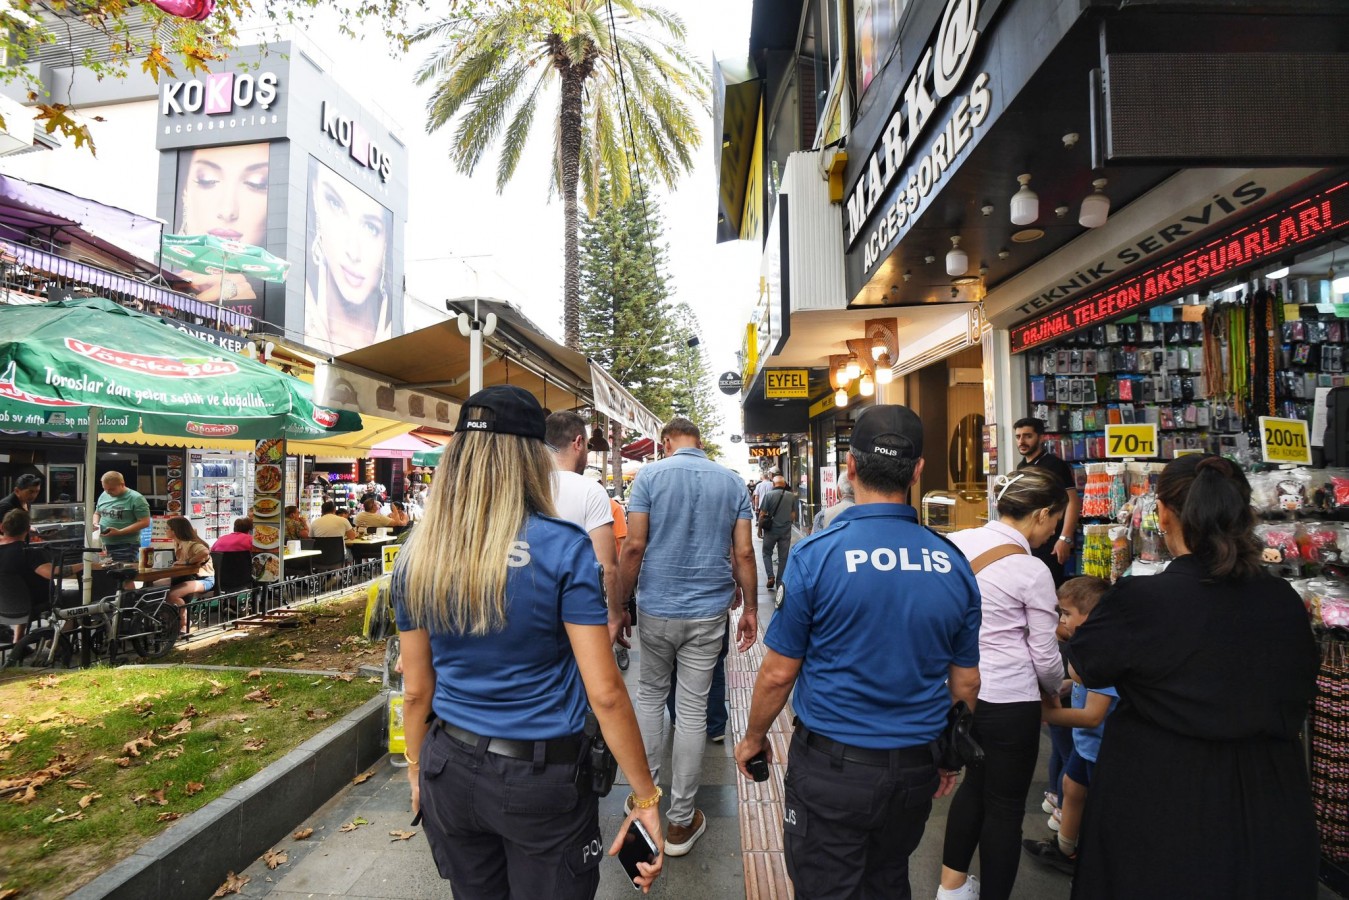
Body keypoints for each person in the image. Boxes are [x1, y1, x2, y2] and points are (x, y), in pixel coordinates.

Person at [393, 385, 664, 897]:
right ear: (531, 459)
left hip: (448, 766)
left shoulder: (419, 553)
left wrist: (415, 771)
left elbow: (414, 689)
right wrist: (645, 798)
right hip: (540, 779)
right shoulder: (561, 546)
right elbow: (605, 692)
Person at [734, 404, 982, 898]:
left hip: (832, 770)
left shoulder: (818, 556)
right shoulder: (953, 562)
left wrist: (754, 736)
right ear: (917, 470)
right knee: (888, 879)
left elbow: (779, 673)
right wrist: (949, 757)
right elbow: (967, 681)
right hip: (914, 768)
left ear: (850, 466)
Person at [1065, 454, 1319, 899]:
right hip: (1267, 800)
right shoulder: (1282, 600)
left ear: (1163, 513)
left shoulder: (1142, 600)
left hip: (1160, 799)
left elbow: (1085, 666)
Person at [617, 416, 757, 857]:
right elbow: (745, 551)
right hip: (708, 611)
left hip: (657, 608)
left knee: (650, 697)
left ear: (666, 442)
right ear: (699, 441)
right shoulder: (731, 482)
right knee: (693, 710)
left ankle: (645, 801)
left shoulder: (649, 477)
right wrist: (751, 607)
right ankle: (679, 822)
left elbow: (633, 546)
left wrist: (621, 605)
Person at [937, 468, 1069, 900]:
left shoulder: (955, 543)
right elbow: (1045, 656)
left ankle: (951, 889)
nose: (1052, 533)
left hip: (959, 693)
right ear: (1043, 513)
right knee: (1006, 807)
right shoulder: (1031, 570)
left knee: (973, 786)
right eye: (1054, 522)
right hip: (1012, 700)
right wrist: (1057, 688)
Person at [1023, 576, 1115, 875]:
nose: (1061, 620)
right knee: (1070, 787)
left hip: (1102, 749)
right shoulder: (1088, 646)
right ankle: (1065, 848)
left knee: (1101, 807)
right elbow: (1079, 686)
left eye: (1066, 614)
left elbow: (1092, 715)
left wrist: (1046, 714)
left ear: (1091, 616)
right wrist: (1062, 687)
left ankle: (1099, 862)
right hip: (1085, 744)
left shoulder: (1104, 655)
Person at [545, 411, 623, 644]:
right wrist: (615, 616)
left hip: (531, 606)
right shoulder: (590, 490)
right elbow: (607, 566)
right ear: (578, 442)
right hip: (579, 609)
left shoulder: (525, 483)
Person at [303, 159, 394, 354]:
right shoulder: (296, 311)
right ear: (315, 194)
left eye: (371, 227)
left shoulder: (396, 342)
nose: (353, 252)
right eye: (336, 205)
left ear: (387, 238)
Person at [174, 142, 270, 307]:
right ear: (185, 191)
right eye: (207, 180)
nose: (228, 210)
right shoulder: (155, 277)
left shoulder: (271, 301)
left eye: (257, 183)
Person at [1014, 417, 1080, 585]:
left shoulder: (1055, 465)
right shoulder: (1021, 467)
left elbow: (1072, 501)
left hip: (1051, 542)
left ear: (1041, 437)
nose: (1022, 441)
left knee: (1050, 590)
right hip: (1029, 540)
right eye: (1018, 436)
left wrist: (1065, 538)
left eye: (1028, 436)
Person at [0, 509, 80, 639]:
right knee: (78, 601)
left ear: (2, 527)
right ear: (27, 530)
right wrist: (84, 565)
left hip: (4, 607)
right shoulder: (28, 552)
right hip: (35, 605)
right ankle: (59, 643)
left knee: (21, 591)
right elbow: (51, 573)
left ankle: (18, 641)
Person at [163, 516, 214, 631]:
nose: (165, 530)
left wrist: (187, 562)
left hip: (204, 580)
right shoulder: (178, 544)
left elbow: (205, 552)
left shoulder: (191, 544)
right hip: (186, 578)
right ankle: (172, 621)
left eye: (167, 528)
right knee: (159, 589)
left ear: (175, 530)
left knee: (172, 595)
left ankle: (184, 623)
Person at [93, 471, 151, 564]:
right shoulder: (104, 494)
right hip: (103, 543)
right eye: (105, 488)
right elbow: (97, 513)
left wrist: (120, 532)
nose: (108, 492)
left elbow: (145, 522)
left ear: (122, 484)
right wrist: (95, 523)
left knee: (122, 575)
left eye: (111, 489)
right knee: (103, 574)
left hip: (126, 545)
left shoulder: (136, 498)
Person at [758, 475, 795, 590]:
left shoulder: (768, 495)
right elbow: (793, 515)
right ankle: (780, 582)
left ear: (773, 485)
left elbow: (762, 514)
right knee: (783, 557)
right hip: (785, 530)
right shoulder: (791, 496)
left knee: (766, 553)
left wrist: (759, 529)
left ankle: (770, 576)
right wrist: (788, 524)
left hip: (771, 531)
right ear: (784, 485)